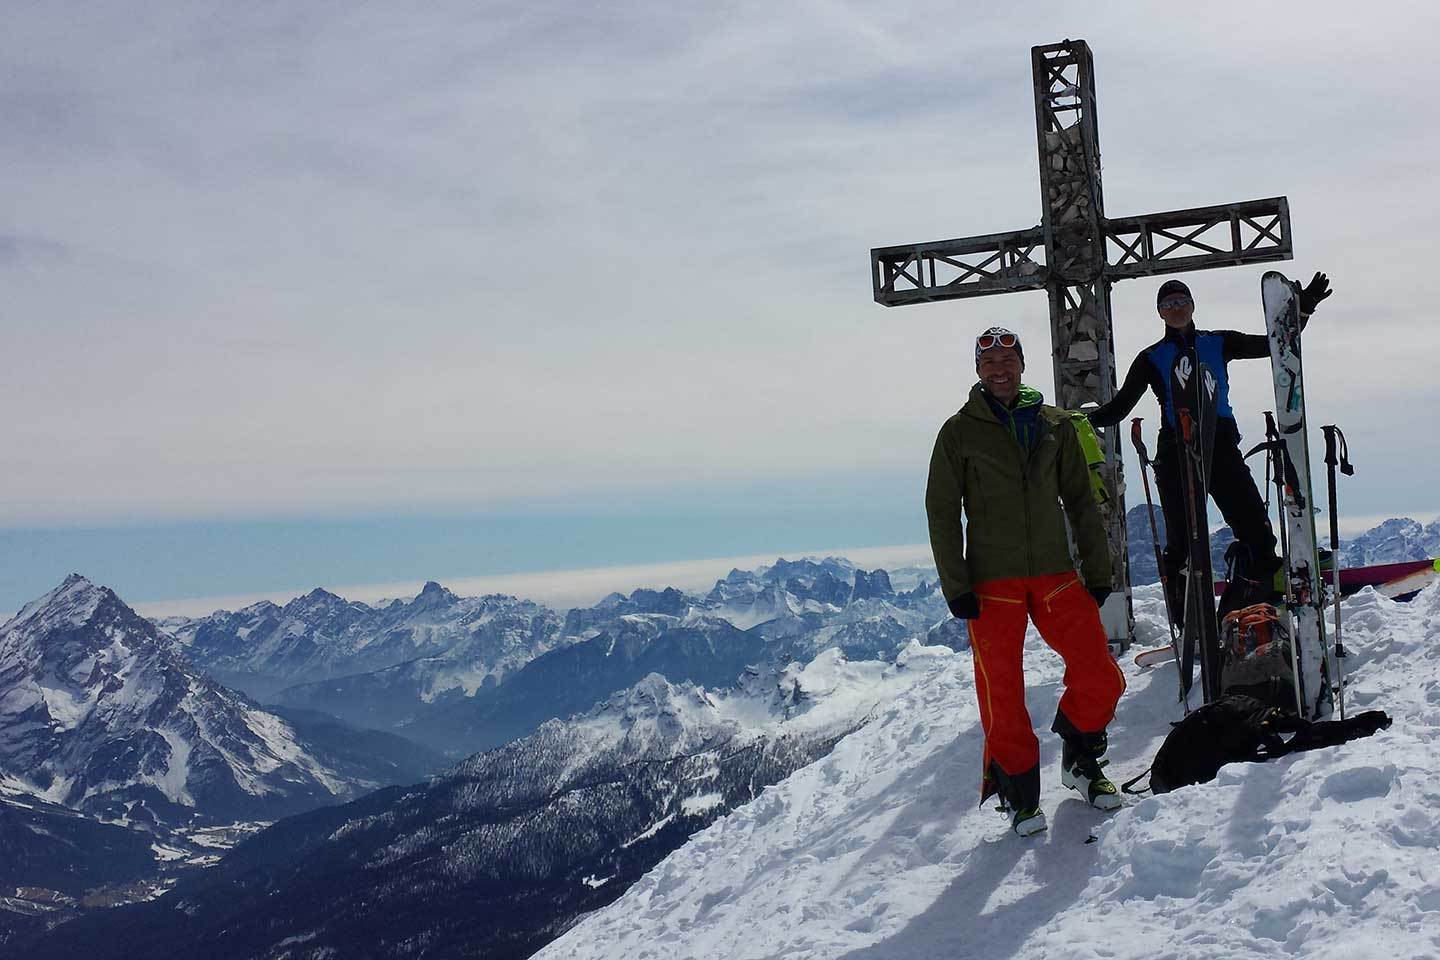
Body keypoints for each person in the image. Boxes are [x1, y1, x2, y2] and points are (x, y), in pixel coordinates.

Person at [926, 326, 1127, 837]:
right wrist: (956, 584)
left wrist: (1097, 571)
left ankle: (1080, 760)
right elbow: (943, 511)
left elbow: (1082, 501)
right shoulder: (958, 432)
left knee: (1099, 672)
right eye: (989, 362)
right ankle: (1018, 795)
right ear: (977, 370)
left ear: (1022, 364)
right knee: (1003, 692)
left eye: (1008, 360)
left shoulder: (1055, 424)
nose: (999, 370)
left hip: (1056, 573)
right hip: (992, 579)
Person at [1086, 273, 1332, 618]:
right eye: (1168, 304)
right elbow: (1121, 406)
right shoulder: (1150, 357)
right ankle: (1185, 616)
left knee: (1252, 522)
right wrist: (1079, 419)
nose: (1176, 308)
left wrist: (1301, 311)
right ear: (1160, 312)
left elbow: (1272, 345)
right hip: (1175, 449)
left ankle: (1259, 590)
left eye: (1181, 301)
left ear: (1192, 305)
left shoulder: (1219, 342)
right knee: (1182, 541)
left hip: (1221, 441)